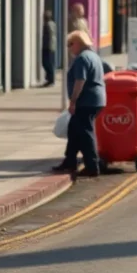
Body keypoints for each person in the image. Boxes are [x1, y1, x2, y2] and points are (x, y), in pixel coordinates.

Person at [52, 30, 107, 177]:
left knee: (85, 132)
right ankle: (70, 161)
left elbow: (80, 81)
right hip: (96, 99)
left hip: (86, 101)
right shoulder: (94, 56)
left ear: (77, 43)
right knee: (74, 130)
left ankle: (92, 166)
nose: (69, 48)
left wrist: (73, 101)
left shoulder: (82, 59)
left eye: (70, 44)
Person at [41, 10, 56, 87]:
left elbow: (48, 37)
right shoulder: (53, 24)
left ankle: (50, 79)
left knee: (46, 63)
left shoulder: (47, 25)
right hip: (51, 46)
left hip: (47, 46)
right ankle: (50, 78)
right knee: (49, 63)